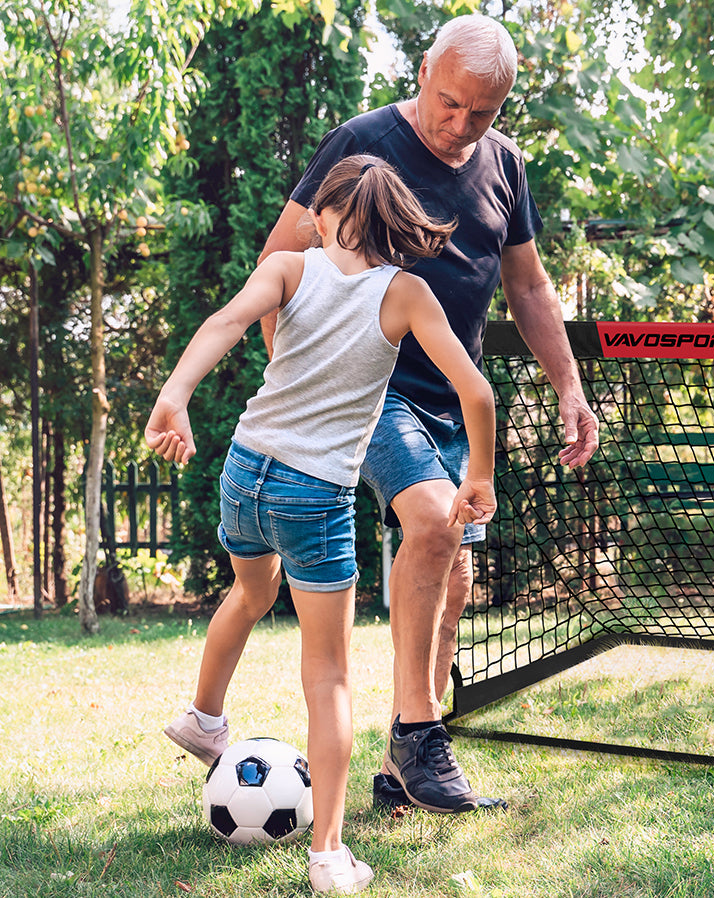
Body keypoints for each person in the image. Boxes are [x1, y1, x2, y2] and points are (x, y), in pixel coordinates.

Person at [253, 14, 599, 813]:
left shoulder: (504, 167)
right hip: (369, 390)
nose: (461, 126)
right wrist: (298, 380)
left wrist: (570, 387)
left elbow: (530, 287)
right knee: (436, 521)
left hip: (452, 400)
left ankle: (401, 768)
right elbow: (280, 261)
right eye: (449, 104)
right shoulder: (360, 144)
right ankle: (419, 728)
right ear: (423, 73)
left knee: (455, 576)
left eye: (483, 113)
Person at [149, 154, 497, 894]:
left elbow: (226, 322)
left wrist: (176, 395)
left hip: (245, 473)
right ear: (395, 223)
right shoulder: (405, 294)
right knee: (330, 675)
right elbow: (478, 393)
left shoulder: (290, 267)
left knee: (248, 593)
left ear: (329, 214)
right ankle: (330, 855)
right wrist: (480, 477)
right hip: (314, 498)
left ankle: (205, 718)